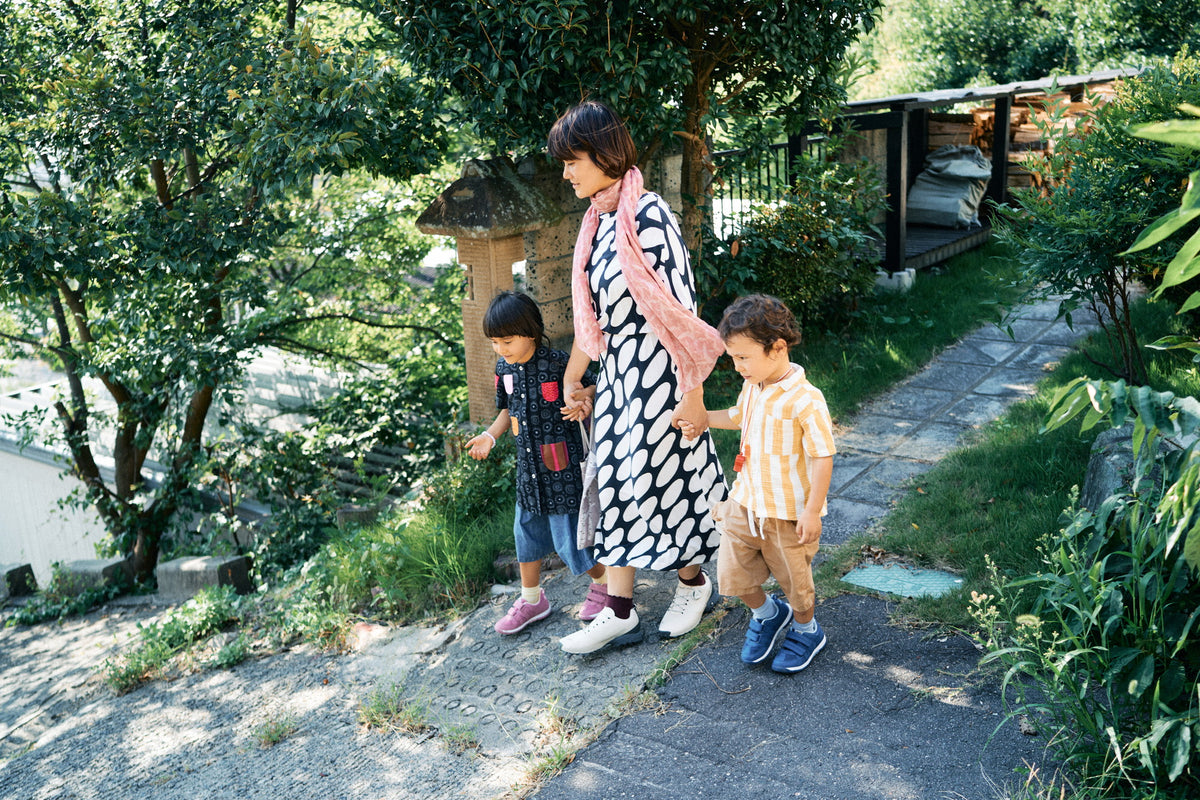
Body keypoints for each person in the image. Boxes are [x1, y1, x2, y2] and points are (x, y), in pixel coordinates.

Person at [548, 100, 728, 655]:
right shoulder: (598, 222)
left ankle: (693, 585)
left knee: (669, 479)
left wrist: (693, 396)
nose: (566, 173)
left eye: (572, 161)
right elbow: (595, 321)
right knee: (618, 482)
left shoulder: (648, 217)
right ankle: (620, 610)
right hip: (621, 377)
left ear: (603, 155)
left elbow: (682, 315)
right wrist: (575, 379)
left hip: (662, 374)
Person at [682, 294, 835, 673]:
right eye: (733, 358)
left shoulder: (806, 399)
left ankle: (807, 629)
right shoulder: (754, 386)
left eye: (743, 358)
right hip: (745, 501)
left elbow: (822, 456)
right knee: (732, 573)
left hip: (786, 513)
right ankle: (767, 614)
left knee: (795, 582)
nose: (737, 367)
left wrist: (812, 511)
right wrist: (703, 419)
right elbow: (739, 416)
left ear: (777, 348)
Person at [466, 290, 608, 635]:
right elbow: (507, 410)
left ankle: (605, 585)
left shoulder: (558, 364)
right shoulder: (504, 369)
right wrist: (490, 436)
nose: (500, 349)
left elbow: (594, 386)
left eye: (507, 341)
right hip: (528, 472)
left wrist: (583, 400)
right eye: (495, 342)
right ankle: (531, 599)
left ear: (531, 332)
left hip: (562, 471)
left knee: (571, 539)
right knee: (525, 536)